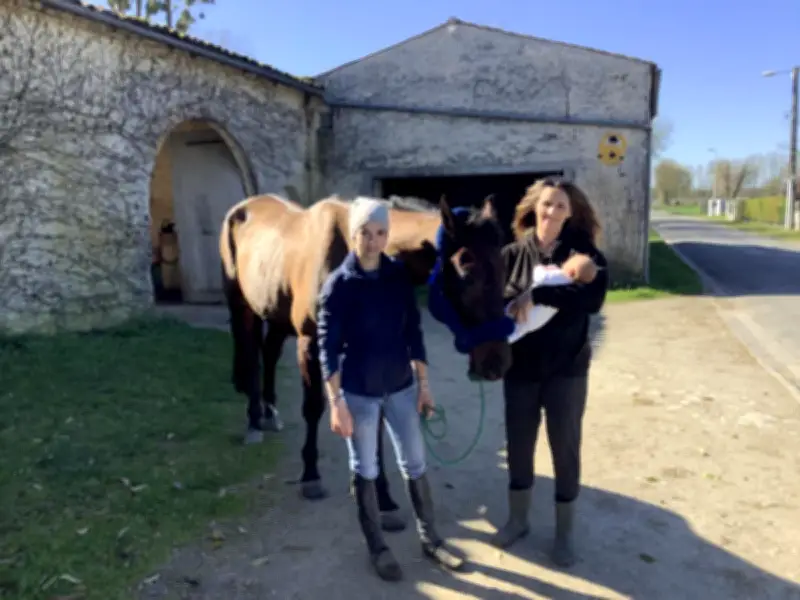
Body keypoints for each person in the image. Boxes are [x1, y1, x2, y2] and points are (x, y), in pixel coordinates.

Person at [317, 197, 464, 582]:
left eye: (380, 232)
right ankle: (378, 547)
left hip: (401, 388)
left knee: (414, 463)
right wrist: (336, 404)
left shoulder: (397, 276)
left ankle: (430, 538)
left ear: (387, 235)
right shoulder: (338, 286)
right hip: (360, 394)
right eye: (365, 232)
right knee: (365, 468)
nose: (373, 240)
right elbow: (326, 347)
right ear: (353, 235)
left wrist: (424, 385)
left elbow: (413, 330)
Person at [492, 178, 609, 568]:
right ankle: (518, 520)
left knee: (565, 448)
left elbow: (592, 300)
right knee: (519, 446)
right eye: (546, 204)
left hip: (567, 370)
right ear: (533, 208)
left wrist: (538, 294)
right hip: (520, 369)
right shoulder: (510, 253)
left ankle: (564, 535)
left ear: (571, 212)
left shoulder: (584, 253)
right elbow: (495, 300)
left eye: (560, 205)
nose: (551, 212)